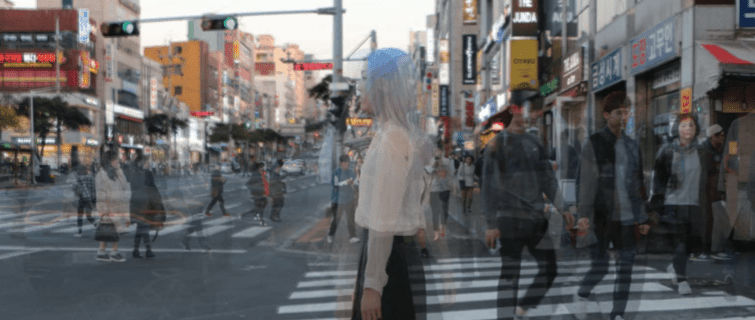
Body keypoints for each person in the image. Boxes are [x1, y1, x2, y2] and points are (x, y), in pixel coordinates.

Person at [352, 48, 431, 320]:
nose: (360, 87)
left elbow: (383, 222)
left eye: (365, 78)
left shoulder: (392, 139)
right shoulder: (393, 134)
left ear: (383, 85)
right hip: (394, 258)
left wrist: (373, 284)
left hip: (389, 261)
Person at [481, 104, 572, 320]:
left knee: (550, 269)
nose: (520, 118)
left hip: (535, 219)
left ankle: (523, 307)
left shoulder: (534, 142)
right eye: (515, 116)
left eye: (521, 114)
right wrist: (491, 224)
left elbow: (548, 180)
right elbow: (488, 186)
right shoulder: (496, 145)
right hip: (509, 218)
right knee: (510, 275)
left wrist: (563, 207)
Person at [573, 91, 652, 320]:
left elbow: (638, 184)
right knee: (602, 266)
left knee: (625, 267)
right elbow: (585, 181)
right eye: (619, 113)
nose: (623, 117)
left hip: (627, 219)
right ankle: (584, 289)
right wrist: (583, 214)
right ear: (607, 115)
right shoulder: (594, 142)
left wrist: (643, 216)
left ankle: (617, 313)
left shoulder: (631, 145)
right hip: (601, 217)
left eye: (627, 112)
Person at [651, 113, 711, 295]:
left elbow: (705, 179)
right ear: (677, 128)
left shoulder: (702, 152)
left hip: (694, 204)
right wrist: (656, 206)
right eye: (684, 125)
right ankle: (682, 281)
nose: (688, 129)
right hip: (673, 203)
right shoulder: (667, 151)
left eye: (691, 126)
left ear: (696, 130)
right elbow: (658, 181)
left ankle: (675, 266)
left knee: (694, 244)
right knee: (681, 244)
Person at [94, 150, 131, 262]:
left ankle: (102, 252)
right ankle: (113, 252)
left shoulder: (116, 173)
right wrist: (103, 210)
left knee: (111, 230)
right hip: (109, 207)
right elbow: (100, 193)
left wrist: (119, 170)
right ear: (109, 161)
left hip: (118, 206)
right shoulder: (101, 175)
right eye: (115, 160)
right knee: (112, 230)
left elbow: (125, 185)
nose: (117, 162)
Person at [705, 124, 733, 260]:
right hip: (708, 192)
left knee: (720, 219)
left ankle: (717, 248)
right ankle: (712, 249)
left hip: (718, 190)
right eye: (721, 136)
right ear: (713, 136)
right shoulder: (705, 150)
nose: (723, 138)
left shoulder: (720, 150)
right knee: (712, 220)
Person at [127, 155, 164, 259]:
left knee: (140, 227)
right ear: (142, 164)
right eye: (147, 163)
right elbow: (152, 188)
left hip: (135, 203)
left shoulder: (133, 174)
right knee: (144, 227)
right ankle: (148, 250)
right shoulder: (147, 174)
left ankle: (136, 250)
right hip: (146, 203)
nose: (148, 164)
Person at [427, 147, 456, 242]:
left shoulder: (447, 161)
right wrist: (434, 165)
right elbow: (427, 172)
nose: (438, 153)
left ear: (442, 152)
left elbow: (451, 174)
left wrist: (453, 188)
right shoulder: (430, 161)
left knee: (444, 211)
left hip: (445, 189)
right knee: (435, 213)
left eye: (439, 151)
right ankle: (436, 233)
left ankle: (443, 226)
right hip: (433, 189)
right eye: (436, 151)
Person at [328, 155, 359, 244]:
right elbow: (335, 184)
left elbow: (356, 185)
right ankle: (330, 234)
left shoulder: (352, 173)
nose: (346, 164)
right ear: (341, 163)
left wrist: (353, 183)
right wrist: (346, 182)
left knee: (350, 219)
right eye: (344, 162)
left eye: (348, 162)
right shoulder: (335, 172)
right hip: (337, 200)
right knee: (336, 219)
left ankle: (352, 236)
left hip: (349, 199)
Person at [72, 164, 96, 237]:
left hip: (82, 198)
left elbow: (74, 188)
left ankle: (80, 232)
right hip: (91, 199)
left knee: (80, 216)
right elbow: (95, 188)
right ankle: (97, 225)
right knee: (89, 216)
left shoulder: (79, 178)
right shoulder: (91, 178)